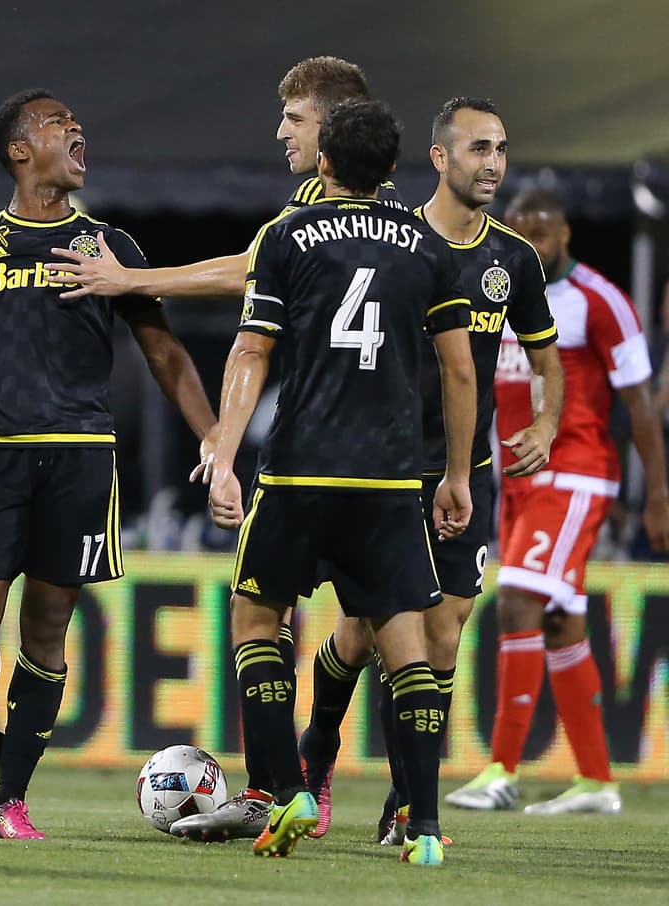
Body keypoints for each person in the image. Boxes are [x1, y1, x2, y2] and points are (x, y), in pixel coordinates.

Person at [54, 55, 390, 840]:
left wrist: (133, 282)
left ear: (333, 131)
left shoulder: (315, 213)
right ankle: (396, 807)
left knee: (262, 615)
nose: (281, 132)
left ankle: (287, 786)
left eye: (296, 119)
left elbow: (247, 276)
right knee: (381, 630)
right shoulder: (393, 218)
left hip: (314, 451)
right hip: (396, 456)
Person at [0, 88, 219, 840]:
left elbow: (165, 353)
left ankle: (10, 801)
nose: (76, 128)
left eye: (76, 121)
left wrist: (214, 437)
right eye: (59, 122)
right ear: (20, 151)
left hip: (82, 458)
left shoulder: (110, 248)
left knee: (47, 629)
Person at [189, 98, 476, 865]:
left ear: (324, 162)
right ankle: (421, 828)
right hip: (388, 481)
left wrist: (222, 451)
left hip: (299, 470)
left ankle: (286, 794)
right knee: (409, 648)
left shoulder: (287, 237)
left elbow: (252, 351)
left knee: (257, 620)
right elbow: (457, 368)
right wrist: (454, 473)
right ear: (393, 169)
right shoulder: (429, 246)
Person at [295, 98, 563, 844]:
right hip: (381, 472)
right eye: (480, 148)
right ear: (441, 158)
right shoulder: (397, 244)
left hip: (464, 473)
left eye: (502, 149)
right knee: (363, 633)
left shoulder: (513, 259)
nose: (495, 164)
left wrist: (543, 420)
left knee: (440, 638)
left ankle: (405, 801)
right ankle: (317, 750)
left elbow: (546, 360)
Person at [446, 187, 669, 814]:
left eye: (541, 233)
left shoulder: (600, 302)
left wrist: (657, 494)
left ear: (565, 232)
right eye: (519, 231)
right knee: (559, 620)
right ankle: (598, 780)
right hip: (517, 478)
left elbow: (641, 404)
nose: (530, 244)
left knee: (516, 597)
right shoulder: (497, 295)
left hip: (574, 474)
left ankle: (500, 770)